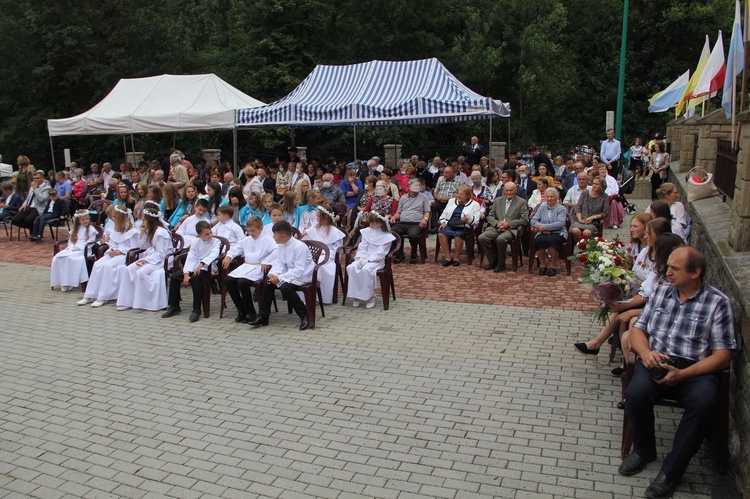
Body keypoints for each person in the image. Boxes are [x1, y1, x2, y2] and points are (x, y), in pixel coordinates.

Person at [619, 247, 737, 499]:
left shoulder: (718, 303)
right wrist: (646, 353)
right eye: (667, 266)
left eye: (675, 268)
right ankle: (643, 450)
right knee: (636, 393)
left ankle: (671, 471)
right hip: (657, 360)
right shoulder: (662, 293)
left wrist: (684, 374)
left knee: (704, 402)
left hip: (695, 369)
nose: (667, 272)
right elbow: (638, 330)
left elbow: (723, 356)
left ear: (696, 272)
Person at [249, 221, 315, 330]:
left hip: (303, 275)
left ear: (283, 236)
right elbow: (279, 263)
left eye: (275, 235)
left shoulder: (299, 247)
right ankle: (263, 316)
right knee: (268, 282)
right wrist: (274, 275)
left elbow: (299, 269)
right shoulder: (281, 245)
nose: (273, 237)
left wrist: (280, 278)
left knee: (285, 288)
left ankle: (304, 315)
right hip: (289, 273)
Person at [78, 205, 140, 307]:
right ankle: (89, 294)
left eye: (115, 217)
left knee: (108, 265)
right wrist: (111, 250)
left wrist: (120, 251)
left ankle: (103, 296)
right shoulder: (116, 230)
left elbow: (134, 247)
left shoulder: (133, 232)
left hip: (124, 256)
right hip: (115, 253)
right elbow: (113, 243)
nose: (113, 219)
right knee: (98, 264)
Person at [116, 205, 173, 312]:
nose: (142, 222)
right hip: (151, 256)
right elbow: (143, 247)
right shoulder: (150, 230)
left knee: (140, 272)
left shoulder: (161, 233)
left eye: (144, 219)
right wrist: (142, 233)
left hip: (162, 259)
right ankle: (127, 301)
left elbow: (162, 253)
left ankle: (143, 302)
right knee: (129, 269)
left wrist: (147, 260)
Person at [162, 221, 221, 322]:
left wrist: (202, 264)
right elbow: (191, 257)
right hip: (194, 266)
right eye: (206, 234)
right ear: (199, 235)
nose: (210, 235)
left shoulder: (216, 241)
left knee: (195, 278)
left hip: (207, 267)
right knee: (174, 277)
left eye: (210, 232)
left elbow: (214, 254)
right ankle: (174, 305)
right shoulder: (195, 242)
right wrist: (186, 273)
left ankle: (196, 309)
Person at [224, 216, 277, 323]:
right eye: (249, 230)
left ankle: (250, 312)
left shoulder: (268, 240)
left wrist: (267, 261)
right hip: (246, 266)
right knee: (228, 280)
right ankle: (241, 309)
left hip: (259, 267)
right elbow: (236, 249)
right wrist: (229, 256)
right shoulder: (246, 239)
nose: (251, 233)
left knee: (242, 282)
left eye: (253, 230)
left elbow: (276, 251)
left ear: (260, 228)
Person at [345, 211, 396, 308]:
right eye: (371, 222)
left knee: (366, 270)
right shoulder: (366, 232)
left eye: (373, 222)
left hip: (376, 260)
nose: (371, 224)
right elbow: (362, 246)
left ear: (381, 223)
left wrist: (369, 259)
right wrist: (361, 257)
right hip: (363, 257)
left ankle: (370, 296)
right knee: (352, 267)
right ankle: (356, 295)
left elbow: (382, 252)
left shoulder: (386, 236)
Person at [478, 182, 529, 272]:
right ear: (504, 191)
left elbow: (524, 220)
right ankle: (493, 260)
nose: (509, 193)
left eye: (511, 190)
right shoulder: (498, 200)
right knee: (482, 237)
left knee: (501, 239)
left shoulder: (521, 202)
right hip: (497, 227)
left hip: (511, 229)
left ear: (516, 191)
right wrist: (497, 223)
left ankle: (501, 263)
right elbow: (490, 216)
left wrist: (508, 224)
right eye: (507, 190)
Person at [303, 207, 345, 304]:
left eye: (318, 216)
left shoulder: (335, 232)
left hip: (327, 257)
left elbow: (337, 249)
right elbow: (307, 243)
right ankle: (308, 294)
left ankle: (320, 297)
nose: (316, 218)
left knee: (320, 267)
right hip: (312, 254)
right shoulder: (313, 230)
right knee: (306, 265)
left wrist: (326, 253)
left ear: (325, 216)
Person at [50, 210, 98, 291]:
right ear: (78, 221)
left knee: (72, 259)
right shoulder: (76, 229)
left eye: (87, 219)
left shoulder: (91, 229)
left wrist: (79, 247)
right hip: (73, 248)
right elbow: (71, 240)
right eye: (83, 220)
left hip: (84, 249)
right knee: (59, 257)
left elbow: (91, 242)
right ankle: (64, 281)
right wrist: (72, 247)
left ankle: (72, 281)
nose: (85, 221)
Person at [437, 184, 481, 267]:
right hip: (450, 224)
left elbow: (476, 220)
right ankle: (448, 257)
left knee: (458, 235)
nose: (459, 196)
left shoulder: (475, 205)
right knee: (441, 234)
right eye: (458, 193)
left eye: (461, 194)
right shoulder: (451, 201)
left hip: (463, 226)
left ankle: (456, 258)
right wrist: (443, 222)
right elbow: (443, 214)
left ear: (468, 196)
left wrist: (468, 219)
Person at [390, 179, 430, 264]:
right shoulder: (403, 198)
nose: (417, 187)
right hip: (403, 222)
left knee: (413, 235)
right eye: (415, 185)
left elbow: (427, 212)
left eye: (418, 185)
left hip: (416, 223)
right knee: (393, 232)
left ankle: (414, 254)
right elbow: (399, 212)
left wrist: (425, 219)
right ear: (409, 186)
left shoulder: (424, 197)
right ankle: (399, 254)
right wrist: (394, 217)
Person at [530, 188, 567, 276]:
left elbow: (560, 223)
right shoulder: (542, 207)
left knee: (551, 242)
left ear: (556, 197)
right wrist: (540, 226)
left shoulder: (561, 208)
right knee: (539, 241)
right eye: (548, 197)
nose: (549, 199)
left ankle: (553, 266)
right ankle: (543, 265)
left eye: (552, 196)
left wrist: (546, 227)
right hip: (543, 232)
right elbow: (533, 220)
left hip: (558, 232)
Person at [570, 177, 609, 241]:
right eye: (593, 183)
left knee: (586, 233)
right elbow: (578, 208)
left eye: (597, 184)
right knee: (575, 230)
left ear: (602, 186)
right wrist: (580, 219)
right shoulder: (585, 193)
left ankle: (587, 248)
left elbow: (605, 213)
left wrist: (593, 217)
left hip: (593, 222)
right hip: (580, 220)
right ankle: (581, 246)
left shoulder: (605, 197)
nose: (594, 185)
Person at [430, 166, 462, 232]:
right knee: (433, 207)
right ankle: (436, 226)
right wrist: (438, 198)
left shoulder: (459, 180)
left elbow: (459, 194)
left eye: (447, 173)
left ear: (453, 173)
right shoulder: (441, 179)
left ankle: (450, 225)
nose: (444, 174)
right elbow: (436, 191)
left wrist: (448, 198)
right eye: (444, 172)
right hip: (440, 200)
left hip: (452, 201)